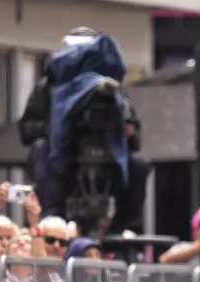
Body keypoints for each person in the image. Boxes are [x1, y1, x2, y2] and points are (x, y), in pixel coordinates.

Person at [18, 27, 150, 233]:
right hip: (63, 163)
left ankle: (122, 223)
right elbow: (26, 130)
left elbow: (135, 136)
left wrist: (128, 132)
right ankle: (54, 217)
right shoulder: (49, 87)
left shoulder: (110, 89)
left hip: (108, 162)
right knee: (39, 148)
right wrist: (55, 128)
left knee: (139, 164)